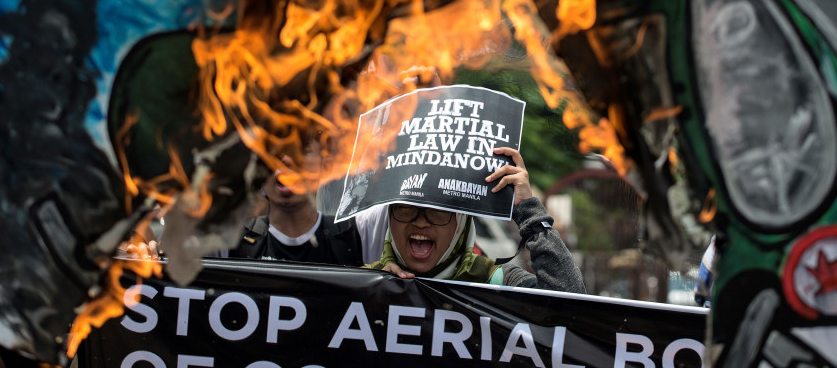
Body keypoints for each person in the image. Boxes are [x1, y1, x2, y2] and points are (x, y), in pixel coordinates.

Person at [368, 147, 586, 292]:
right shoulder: (363, 283)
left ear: (461, 224)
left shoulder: (496, 282)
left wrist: (528, 209)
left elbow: (571, 307)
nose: (421, 222)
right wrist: (371, 289)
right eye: (405, 208)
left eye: (439, 210)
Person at [228, 156, 363, 265]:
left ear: (325, 167)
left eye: (301, 148)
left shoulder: (357, 233)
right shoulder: (231, 239)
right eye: (273, 151)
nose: (286, 160)